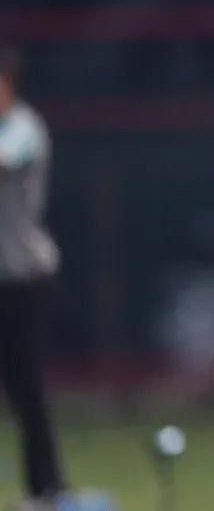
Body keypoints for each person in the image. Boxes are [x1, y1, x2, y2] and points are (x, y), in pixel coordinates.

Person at [0, 46, 111, 511]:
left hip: (24, 275)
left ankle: (46, 487)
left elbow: (6, 158)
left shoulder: (24, 128)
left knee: (28, 386)